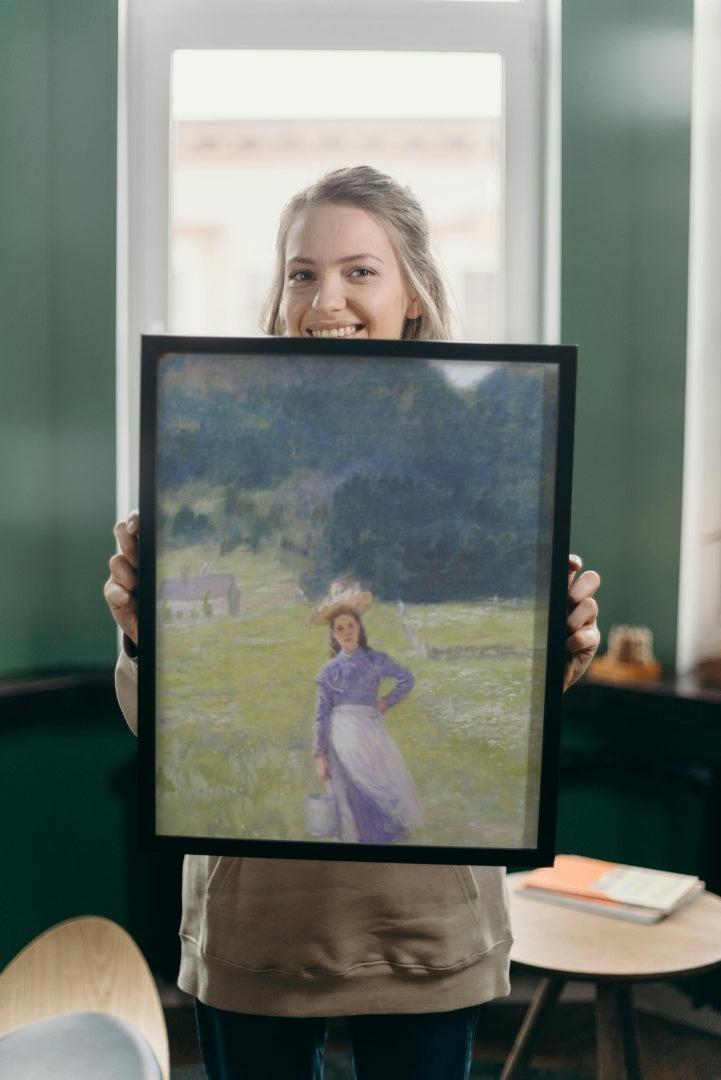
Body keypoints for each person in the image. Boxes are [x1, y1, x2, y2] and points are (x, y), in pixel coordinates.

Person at [105, 165, 601, 1080]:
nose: (324, 297)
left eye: (359, 271)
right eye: (301, 272)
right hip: (258, 924)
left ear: (412, 292)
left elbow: (511, 717)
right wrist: (143, 639)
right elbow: (162, 732)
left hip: (423, 924)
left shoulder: (488, 447)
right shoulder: (207, 438)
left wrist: (556, 654)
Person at [312, 582, 422, 845]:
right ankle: (355, 840)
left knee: (378, 781)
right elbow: (321, 714)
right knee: (350, 786)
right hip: (341, 734)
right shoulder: (329, 671)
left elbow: (406, 678)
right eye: (340, 628)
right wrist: (320, 754)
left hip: (370, 731)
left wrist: (386, 701)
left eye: (351, 626)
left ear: (359, 628)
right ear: (333, 634)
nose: (347, 632)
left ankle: (381, 836)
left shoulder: (374, 660)